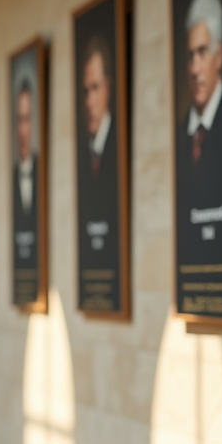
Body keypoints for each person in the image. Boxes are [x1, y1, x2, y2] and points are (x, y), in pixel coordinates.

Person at [176, 0, 222, 272]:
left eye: (202, 52)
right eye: (190, 55)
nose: (194, 68)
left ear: (219, 54)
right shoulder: (181, 136)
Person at [76, 35, 120, 307]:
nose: (89, 101)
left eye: (96, 88)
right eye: (85, 91)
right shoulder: (84, 150)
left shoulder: (117, 143)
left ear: (109, 87)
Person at [11, 77, 39, 303]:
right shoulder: (13, 176)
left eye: (27, 119)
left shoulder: (40, 170)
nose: (22, 129)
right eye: (19, 120)